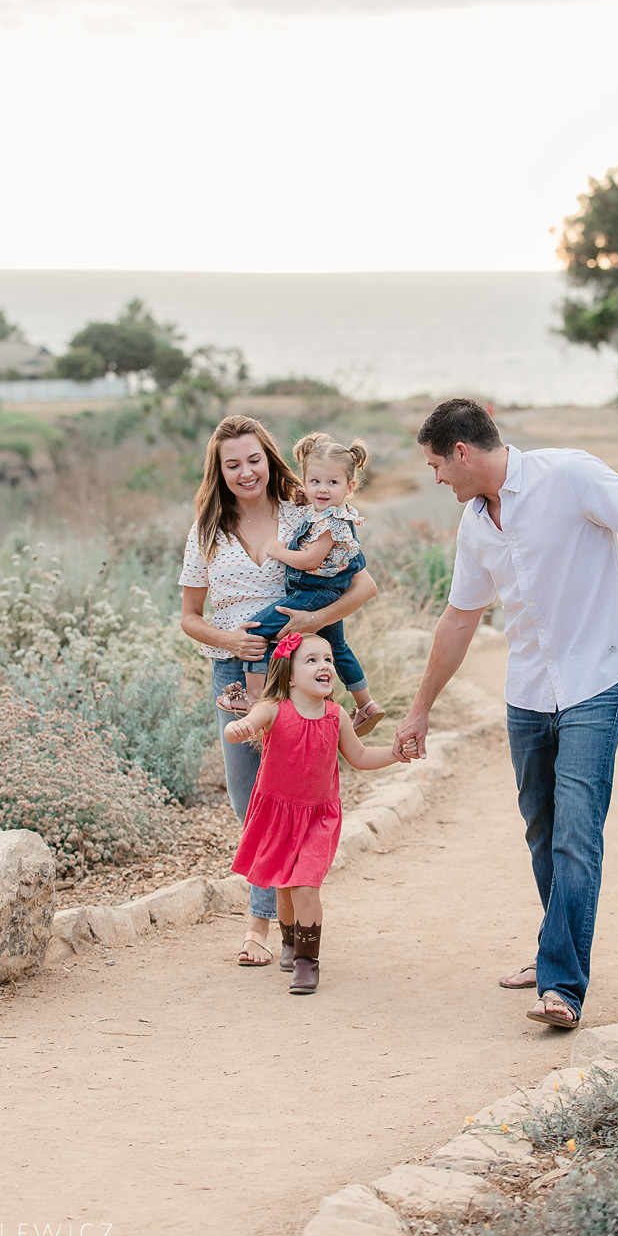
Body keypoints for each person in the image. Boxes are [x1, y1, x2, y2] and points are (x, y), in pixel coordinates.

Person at [393, 398, 618, 1030]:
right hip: (529, 687)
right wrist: (419, 709)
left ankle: (562, 985)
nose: (436, 480)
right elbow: (459, 618)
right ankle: (553, 947)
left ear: (462, 452)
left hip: (599, 673)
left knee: (576, 829)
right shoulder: (476, 524)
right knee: (541, 828)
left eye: (435, 466)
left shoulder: (571, 475)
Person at [179, 414, 378, 968]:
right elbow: (189, 618)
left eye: (253, 459)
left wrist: (305, 627)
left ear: (269, 459)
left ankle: (267, 930)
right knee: (251, 798)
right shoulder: (206, 533)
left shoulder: (305, 513)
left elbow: (363, 585)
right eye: (232, 463)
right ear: (218, 472)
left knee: (290, 797)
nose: (245, 472)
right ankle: (273, 921)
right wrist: (227, 639)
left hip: (293, 673)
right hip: (232, 673)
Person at [226, 632, 411, 994]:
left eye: (327, 659)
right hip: (277, 814)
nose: (324, 665)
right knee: (284, 888)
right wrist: (239, 727)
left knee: (306, 886)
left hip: (318, 817)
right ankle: (290, 942)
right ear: (289, 674)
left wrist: (394, 754)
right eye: (311, 660)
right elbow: (244, 725)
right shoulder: (274, 708)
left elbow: (358, 757)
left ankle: (307, 962)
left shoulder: (336, 715)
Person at [217, 431, 386, 736]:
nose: (322, 490)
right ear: (305, 483)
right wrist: (305, 496)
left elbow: (310, 561)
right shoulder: (318, 511)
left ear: (350, 487)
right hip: (320, 592)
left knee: (256, 628)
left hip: (313, 593)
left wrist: (280, 551)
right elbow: (311, 497)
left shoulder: (330, 522)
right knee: (338, 646)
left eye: (332, 483)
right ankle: (366, 703)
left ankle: (253, 696)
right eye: (315, 482)